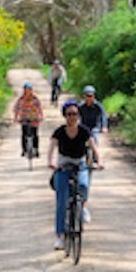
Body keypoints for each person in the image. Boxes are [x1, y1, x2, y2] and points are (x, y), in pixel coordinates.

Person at [47, 100, 102, 250]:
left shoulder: (84, 131)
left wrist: (99, 162)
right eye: (69, 114)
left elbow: (93, 147)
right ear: (65, 116)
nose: (73, 117)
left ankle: (82, 206)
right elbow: (51, 147)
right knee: (61, 201)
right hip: (63, 165)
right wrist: (50, 162)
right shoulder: (59, 131)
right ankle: (59, 236)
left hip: (80, 164)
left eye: (75, 114)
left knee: (83, 185)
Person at [77, 85, 107, 222]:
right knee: (82, 140)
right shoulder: (81, 107)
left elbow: (103, 117)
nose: (89, 98)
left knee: (94, 138)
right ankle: (82, 154)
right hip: (84, 126)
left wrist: (104, 127)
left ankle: (95, 159)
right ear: (84, 96)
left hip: (94, 128)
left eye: (91, 95)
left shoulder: (98, 106)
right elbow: (76, 118)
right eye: (87, 95)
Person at [12, 83, 43, 157]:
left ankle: (36, 149)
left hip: (34, 118)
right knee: (24, 134)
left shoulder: (35, 99)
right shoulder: (21, 99)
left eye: (29, 90)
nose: (28, 92)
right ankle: (24, 149)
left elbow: (39, 108)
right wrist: (16, 118)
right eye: (26, 90)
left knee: (35, 134)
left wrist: (41, 116)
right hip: (24, 118)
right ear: (24, 91)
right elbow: (17, 109)